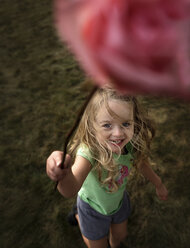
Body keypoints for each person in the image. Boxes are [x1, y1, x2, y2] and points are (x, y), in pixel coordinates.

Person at [46, 87, 168, 248]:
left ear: (134, 121)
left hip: (118, 201)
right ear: (92, 125)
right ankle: (78, 215)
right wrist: (64, 174)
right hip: (92, 208)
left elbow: (142, 164)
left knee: (120, 236)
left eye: (126, 123)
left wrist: (158, 184)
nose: (118, 133)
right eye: (107, 125)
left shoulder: (130, 146)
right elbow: (70, 190)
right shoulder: (90, 153)